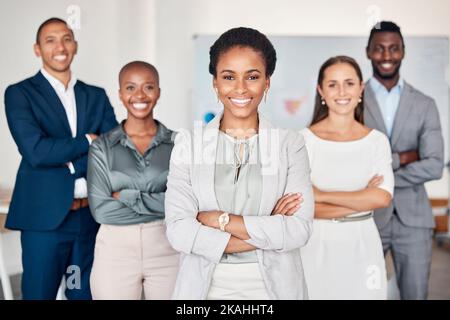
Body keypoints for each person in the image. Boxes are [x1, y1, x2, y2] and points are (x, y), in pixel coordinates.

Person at [164, 27, 314, 300]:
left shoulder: (290, 145)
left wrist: (220, 220)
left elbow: (297, 230)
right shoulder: (189, 145)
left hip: (273, 290)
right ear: (215, 82)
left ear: (267, 82)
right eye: (229, 77)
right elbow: (179, 232)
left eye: (253, 76)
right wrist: (268, 228)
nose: (241, 88)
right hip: (205, 290)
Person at [4, 17, 117, 299]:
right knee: (40, 294)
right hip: (45, 221)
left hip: (88, 219)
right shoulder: (20, 94)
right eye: (50, 40)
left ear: (75, 46)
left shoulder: (95, 95)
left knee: (81, 293)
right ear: (37, 49)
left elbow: (112, 150)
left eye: (66, 38)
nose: (60, 47)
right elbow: (36, 152)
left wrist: (68, 158)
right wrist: (88, 142)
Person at [300, 56, 394, 299]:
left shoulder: (377, 141)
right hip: (315, 246)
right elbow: (300, 208)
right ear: (321, 90)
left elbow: (382, 198)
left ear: (361, 88)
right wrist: (362, 198)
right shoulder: (302, 141)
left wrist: (320, 195)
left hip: (363, 245)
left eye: (349, 83)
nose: (341, 91)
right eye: (332, 84)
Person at [364, 21, 444, 299]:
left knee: (415, 295)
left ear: (403, 52)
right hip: (366, 219)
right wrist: (404, 157)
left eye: (394, 48)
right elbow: (352, 160)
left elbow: (434, 165)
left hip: (415, 222)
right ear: (368, 52)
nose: (387, 56)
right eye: (380, 49)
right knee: (358, 293)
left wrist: (381, 175)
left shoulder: (425, 104)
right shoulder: (352, 100)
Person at [87, 61, 179, 299]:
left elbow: (184, 204)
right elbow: (101, 211)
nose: (139, 95)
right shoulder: (101, 147)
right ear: (120, 94)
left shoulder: (178, 144)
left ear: (158, 92)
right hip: (114, 252)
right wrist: (162, 203)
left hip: (168, 249)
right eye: (130, 87)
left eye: (148, 87)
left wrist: (127, 197)